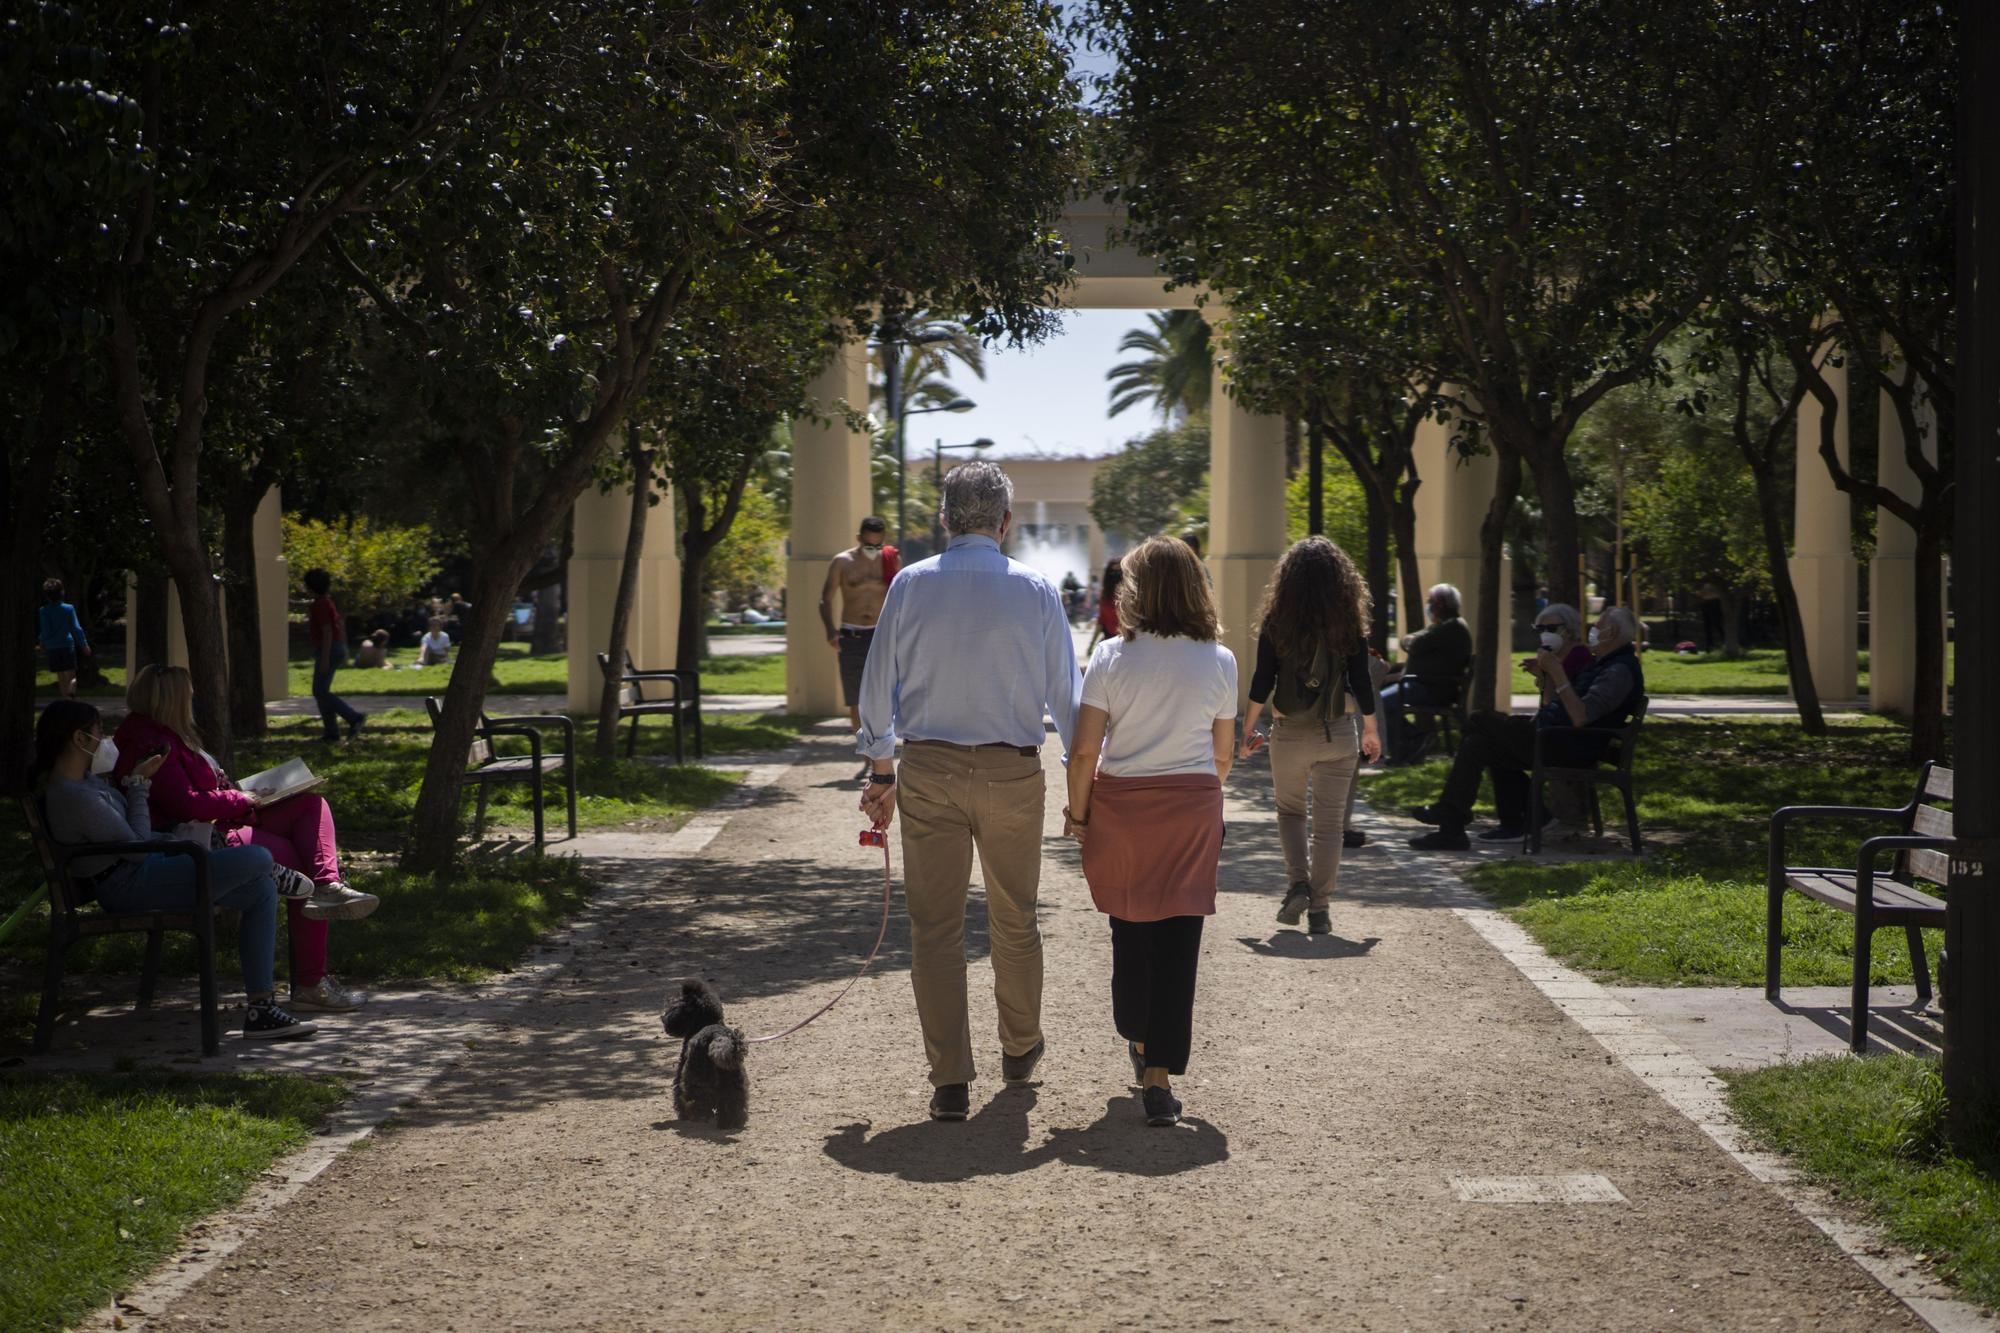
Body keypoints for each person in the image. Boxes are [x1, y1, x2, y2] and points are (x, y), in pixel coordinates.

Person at [856, 462, 1080, 1123]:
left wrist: (880, 769)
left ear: (945, 519)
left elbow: (877, 685)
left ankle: (950, 1075)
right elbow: (1065, 693)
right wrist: (1084, 778)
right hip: (1014, 771)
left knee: (936, 929)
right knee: (1015, 917)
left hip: (929, 771)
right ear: (1005, 522)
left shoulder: (909, 586)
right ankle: (1020, 1044)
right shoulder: (1038, 590)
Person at [1066, 537, 1235, 1127]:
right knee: (1180, 939)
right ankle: (1160, 1075)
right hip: (1190, 806)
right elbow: (1222, 755)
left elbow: (1085, 749)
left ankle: (1137, 1035)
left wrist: (1078, 815)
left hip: (1122, 807)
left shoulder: (1112, 657)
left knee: (1129, 928)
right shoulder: (1219, 659)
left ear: (1135, 590)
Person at [33, 700, 318, 1040]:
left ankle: (261, 1010)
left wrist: (170, 836)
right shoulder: (74, 796)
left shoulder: (89, 785)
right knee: (256, 858)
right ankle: (269, 869)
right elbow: (135, 848)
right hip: (129, 884)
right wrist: (139, 785)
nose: (105, 740)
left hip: (146, 870)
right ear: (80, 739)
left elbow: (133, 838)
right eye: (99, 732)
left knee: (261, 890)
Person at [114, 664, 379, 1014]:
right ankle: (312, 982)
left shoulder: (164, 734)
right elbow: (184, 803)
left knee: (310, 805)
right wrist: (240, 799)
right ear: (172, 701)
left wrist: (240, 794)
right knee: (303, 869)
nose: (193, 702)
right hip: (202, 838)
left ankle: (328, 886)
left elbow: (195, 793)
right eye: (188, 697)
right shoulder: (152, 742)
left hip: (219, 823)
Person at [1407, 607, 1646, 850]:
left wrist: (1557, 671)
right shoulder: (1601, 664)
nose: (1592, 630)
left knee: (1480, 720)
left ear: (1612, 632)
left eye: (1597, 625)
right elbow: (1557, 706)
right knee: (1477, 745)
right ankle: (1452, 829)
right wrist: (1550, 678)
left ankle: (1458, 813)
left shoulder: (1619, 670)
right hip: (1555, 736)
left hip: (1569, 745)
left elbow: (1580, 717)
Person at [1237, 537, 1382, 934]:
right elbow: (1362, 681)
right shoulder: (1349, 624)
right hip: (1338, 734)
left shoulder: (1276, 622)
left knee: (1291, 812)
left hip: (1290, 733)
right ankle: (1320, 909)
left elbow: (1262, 679)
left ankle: (1297, 883)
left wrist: (1248, 729)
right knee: (1330, 825)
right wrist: (1371, 730)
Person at [1378, 583, 1473, 765]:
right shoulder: (1444, 626)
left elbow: (1416, 644)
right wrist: (1411, 641)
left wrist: (1411, 641)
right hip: (1423, 684)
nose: (1428, 605)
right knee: (1379, 698)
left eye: (1430, 601)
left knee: (1380, 702)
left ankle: (1414, 740)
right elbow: (1410, 641)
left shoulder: (1451, 628)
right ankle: (1410, 744)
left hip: (1431, 688)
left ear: (1441, 604)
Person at [820, 515, 897, 734]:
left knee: (884, 697)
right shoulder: (843, 562)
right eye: (868, 544)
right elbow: (826, 598)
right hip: (851, 635)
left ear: (884, 539)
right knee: (856, 700)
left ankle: (879, 751)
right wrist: (830, 631)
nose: (872, 548)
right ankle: (866, 752)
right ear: (858, 538)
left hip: (880, 635)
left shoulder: (890, 560)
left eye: (877, 544)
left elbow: (900, 598)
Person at [303, 568, 366, 742]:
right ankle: (332, 733)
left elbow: (327, 631)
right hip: (331, 649)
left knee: (320, 691)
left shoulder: (320, 604)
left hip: (328, 649)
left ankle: (354, 717)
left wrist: (324, 657)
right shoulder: (324, 602)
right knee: (321, 692)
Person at [37, 579, 90, 700]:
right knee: (72, 676)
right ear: (62, 593)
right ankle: (71, 694)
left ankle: (65, 699)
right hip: (67, 645)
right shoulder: (69, 608)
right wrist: (84, 645)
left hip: (52, 647)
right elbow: (76, 628)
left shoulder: (43, 611)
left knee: (60, 675)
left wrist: (42, 643)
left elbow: (44, 631)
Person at [1088, 557, 1124, 653]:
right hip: (1110, 640)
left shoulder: (1133, 596)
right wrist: (1092, 644)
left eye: (1120, 572)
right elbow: (1101, 620)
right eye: (1112, 572)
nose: (1116, 576)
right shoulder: (1104, 596)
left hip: (1128, 641)